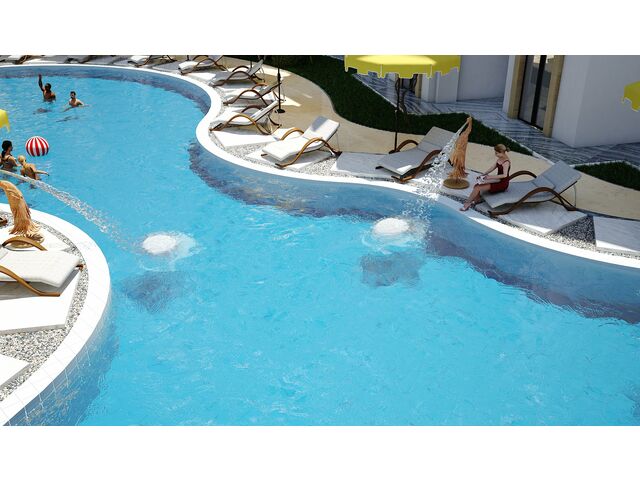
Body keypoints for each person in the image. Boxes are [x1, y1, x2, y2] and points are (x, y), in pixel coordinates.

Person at [460, 144, 511, 211]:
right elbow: (492, 168)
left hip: (502, 183)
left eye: (497, 153)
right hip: (497, 179)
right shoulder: (500, 158)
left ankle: (467, 203)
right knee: (476, 185)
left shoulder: (506, 162)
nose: (495, 154)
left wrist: (490, 177)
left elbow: (504, 175)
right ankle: (477, 200)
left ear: (502, 152)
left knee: (477, 188)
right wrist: (483, 175)